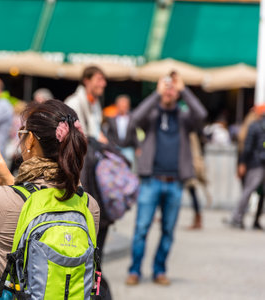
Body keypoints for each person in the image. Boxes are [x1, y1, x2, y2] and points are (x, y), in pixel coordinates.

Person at [0, 100, 100, 299]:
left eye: (22, 133)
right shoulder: (88, 205)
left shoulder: (2, 201)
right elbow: (42, 200)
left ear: (30, 141)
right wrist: (11, 182)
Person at [125, 73, 207, 286]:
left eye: (173, 88)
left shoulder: (183, 117)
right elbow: (134, 119)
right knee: (142, 228)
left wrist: (184, 90)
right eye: (167, 87)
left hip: (175, 182)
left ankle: (159, 271)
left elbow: (202, 114)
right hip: (151, 180)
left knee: (168, 231)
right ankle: (134, 271)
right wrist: (156, 94)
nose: (170, 91)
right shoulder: (151, 115)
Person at [229, 104, 265, 229]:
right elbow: (247, 146)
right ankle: (239, 218)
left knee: (252, 192)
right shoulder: (254, 125)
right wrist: (242, 163)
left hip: (255, 163)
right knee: (251, 191)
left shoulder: (254, 125)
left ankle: (243, 218)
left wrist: (242, 163)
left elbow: (247, 147)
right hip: (255, 164)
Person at [65, 65, 108, 144]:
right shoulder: (73, 103)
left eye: (103, 80)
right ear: (87, 81)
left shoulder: (95, 103)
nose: (104, 84)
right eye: (99, 80)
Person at [104, 94, 139, 164]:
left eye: (125, 105)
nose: (123, 107)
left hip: (128, 148)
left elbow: (134, 134)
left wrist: (137, 147)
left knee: (129, 166)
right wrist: (110, 146)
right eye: (121, 105)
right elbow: (108, 134)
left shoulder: (132, 119)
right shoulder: (111, 119)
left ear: (128, 106)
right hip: (115, 148)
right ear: (117, 106)